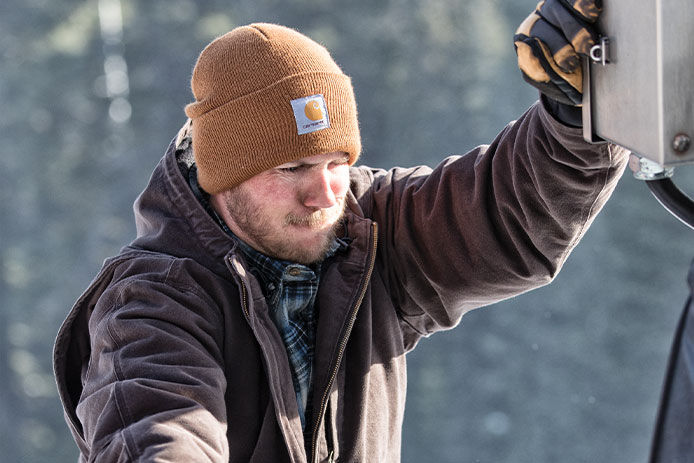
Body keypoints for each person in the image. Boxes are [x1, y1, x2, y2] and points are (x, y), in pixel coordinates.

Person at [54, 1, 628, 461]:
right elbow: (158, 426)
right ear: (222, 175)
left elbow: (506, 214)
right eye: (292, 168)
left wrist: (570, 111)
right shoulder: (151, 303)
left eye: (337, 163)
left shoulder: (367, 230)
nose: (326, 194)